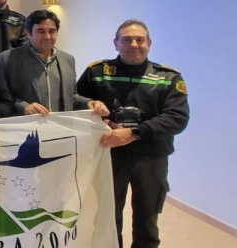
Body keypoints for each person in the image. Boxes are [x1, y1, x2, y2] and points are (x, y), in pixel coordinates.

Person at [76, 19, 189, 248]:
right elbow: (73, 101)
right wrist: (92, 107)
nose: (134, 45)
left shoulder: (168, 77)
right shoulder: (97, 72)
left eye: (140, 40)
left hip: (151, 157)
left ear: (149, 43)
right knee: (107, 217)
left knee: (147, 219)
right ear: (116, 43)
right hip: (108, 155)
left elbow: (177, 118)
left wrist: (134, 133)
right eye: (127, 40)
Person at [0, 10, 108, 116]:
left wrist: (89, 103)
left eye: (51, 31)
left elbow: (71, 97)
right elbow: (0, 97)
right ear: (28, 33)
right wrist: (23, 107)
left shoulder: (68, 60)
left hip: (60, 127)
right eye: (41, 31)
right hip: (26, 127)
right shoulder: (8, 59)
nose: (47, 37)